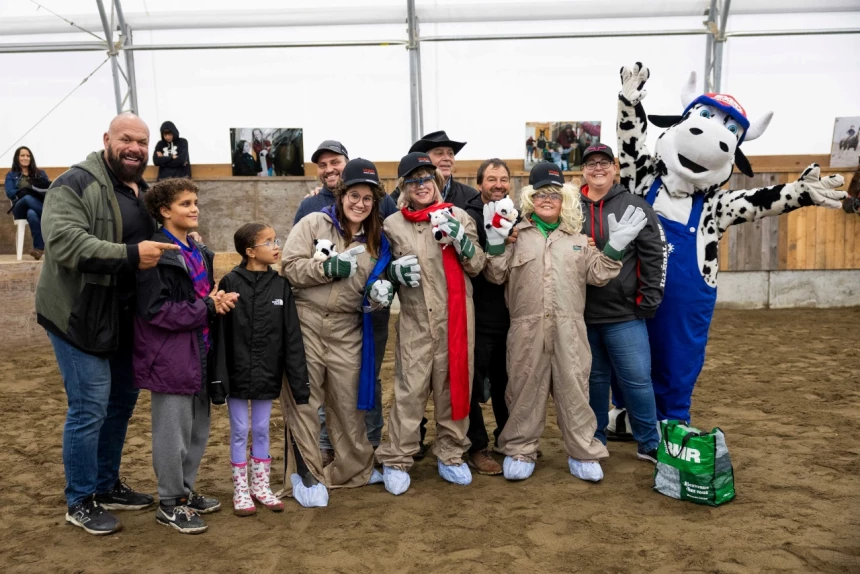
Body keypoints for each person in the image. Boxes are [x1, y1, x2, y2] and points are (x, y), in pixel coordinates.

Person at [36, 113, 182, 535]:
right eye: (126, 139)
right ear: (107, 139)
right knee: (89, 407)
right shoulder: (73, 184)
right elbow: (64, 242)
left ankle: (106, 483)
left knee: (120, 402)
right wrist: (131, 255)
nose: (135, 148)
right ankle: (80, 499)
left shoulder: (142, 191)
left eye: (142, 141)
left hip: (123, 316)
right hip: (77, 314)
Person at [483, 161, 647, 483]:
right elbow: (495, 272)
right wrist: (496, 241)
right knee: (523, 388)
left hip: (570, 329)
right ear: (530, 198)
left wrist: (616, 244)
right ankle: (520, 448)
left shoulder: (576, 238)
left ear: (564, 200)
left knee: (574, 389)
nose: (547, 199)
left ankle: (582, 451)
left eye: (554, 195)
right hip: (526, 329)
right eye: (541, 194)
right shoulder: (516, 236)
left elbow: (600, 273)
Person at [281, 158, 393, 505]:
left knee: (347, 401)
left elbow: (375, 288)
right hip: (306, 321)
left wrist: (380, 295)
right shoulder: (314, 222)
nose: (360, 203)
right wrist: (326, 267)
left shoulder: (378, 241)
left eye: (368, 198)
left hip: (347, 326)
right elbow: (288, 267)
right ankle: (306, 475)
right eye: (354, 195)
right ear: (341, 194)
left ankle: (354, 469)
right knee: (304, 400)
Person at [375, 151, 486, 496]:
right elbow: (381, 271)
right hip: (415, 322)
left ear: (436, 182)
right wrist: (391, 273)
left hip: (456, 320)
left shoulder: (459, 216)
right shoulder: (392, 225)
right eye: (413, 181)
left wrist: (462, 241)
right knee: (410, 392)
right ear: (404, 188)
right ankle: (396, 458)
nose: (421, 186)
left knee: (454, 389)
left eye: (426, 179)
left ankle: (451, 454)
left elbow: (478, 265)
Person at [136, 178, 234, 534]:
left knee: (197, 430)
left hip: (201, 349)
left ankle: (185, 492)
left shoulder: (196, 250)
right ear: (164, 211)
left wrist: (216, 301)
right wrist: (206, 306)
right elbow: (155, 310)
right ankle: (169, 501)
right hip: (170, 356)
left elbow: (202, 297)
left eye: (195, 202)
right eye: (185, 203)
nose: (194, 208)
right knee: (171, 432)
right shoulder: (155, 253)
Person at [211, 223, 312, 516]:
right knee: (240, 429)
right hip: (238, 371)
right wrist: (219, 377)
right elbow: (220, 334)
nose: (276, 245)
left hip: (268, 372)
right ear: (250, 251)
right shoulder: (231, 281)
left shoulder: (280, 285)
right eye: (269, 241)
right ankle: (240, 491)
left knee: (261, 428)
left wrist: (298, 381)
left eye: (276, 240)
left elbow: (292, 334)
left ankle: (261, 486)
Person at [578, 144, 666, 463]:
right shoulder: (571, 208)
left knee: (637, 380)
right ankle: (596, 437)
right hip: (583, 315)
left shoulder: (634, 206)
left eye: (604, 162)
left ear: (615, 168)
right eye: (591, 163)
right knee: (594, 381)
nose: (597, 168)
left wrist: (648, 299)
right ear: (583, 170)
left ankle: (648, 441)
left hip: (624, 315)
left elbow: (654, 255)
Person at [462, 158, 517, 476]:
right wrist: (493, 241)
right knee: (471, 384)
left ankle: (508, 441)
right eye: (491, 178)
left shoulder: (516, 213)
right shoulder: (467, 215)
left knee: (507, 383)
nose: (498, 184)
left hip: (510, 313)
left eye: (504, 179)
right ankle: (477, 447)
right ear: (480, 182)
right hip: (476, 314)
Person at [391, 130, 479, 210]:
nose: (447, 158)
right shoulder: (402, 194)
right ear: (424, 159)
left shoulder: (470, 196)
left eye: (450, 154)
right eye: (439, 153)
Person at [5, 146, 50, 259]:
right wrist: (27, 190)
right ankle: (51, 216)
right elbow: (10, 192)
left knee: (32, 214)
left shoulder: (40, 173)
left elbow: (48, 189)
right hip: (19, 207)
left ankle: (39, 248)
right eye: (22, 155)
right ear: (17, 158)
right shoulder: (11, 175)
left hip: (35, 206)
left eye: (28, 155)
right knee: (27, 198)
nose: (25, 158)